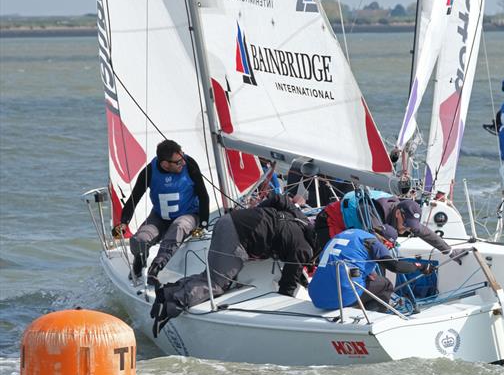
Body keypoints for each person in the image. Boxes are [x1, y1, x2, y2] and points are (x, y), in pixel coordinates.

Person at [149, 192, 314, 336]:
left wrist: (255, 212)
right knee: (216, 285)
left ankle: (167, 293)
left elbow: (278, 198)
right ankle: (171, 306)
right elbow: (287, 287)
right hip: (236, 235)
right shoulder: (304, 249)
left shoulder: (302, 218)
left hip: (232, 220)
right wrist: (282, 318)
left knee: (209, 277)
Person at [113, 139, 209, 285]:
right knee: (141, 239)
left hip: (189, 215)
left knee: (178, 226)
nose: (182, 163)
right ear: (165, 164)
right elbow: (134, 198)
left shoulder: (189, 165)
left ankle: (155, 269)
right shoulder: (150, 171)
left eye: (182, 157)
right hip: (160, 217)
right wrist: (124, 223)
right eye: (177, 162)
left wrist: (203, 224)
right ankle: (139, 261)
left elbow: (203, 195)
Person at [313, 190, 468, 263]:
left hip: (352, 226)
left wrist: (449, 252)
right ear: (398, 214)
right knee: (333, 258)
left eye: (410, 226)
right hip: (331, 221)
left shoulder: (407, 215)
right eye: (406, 225)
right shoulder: (372, 213)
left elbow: (426, 233)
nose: (407, 229)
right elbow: (377, 249)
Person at [308, 227, 433, 311]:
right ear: (385, 242)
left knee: (371, 279)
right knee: (385, 285)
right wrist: (420, 266)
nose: (387, 249)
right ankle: (374, 317)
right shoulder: (374, 242)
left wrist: (366, 272)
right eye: (389, 246)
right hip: (340, 298)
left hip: (316, 296)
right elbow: (395, 266)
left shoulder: (347, 234)